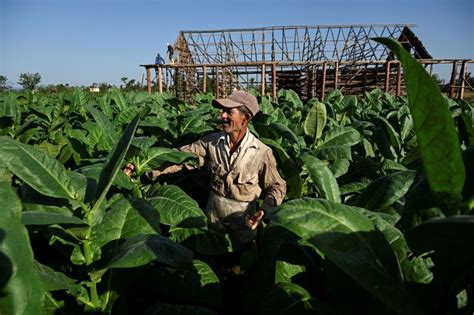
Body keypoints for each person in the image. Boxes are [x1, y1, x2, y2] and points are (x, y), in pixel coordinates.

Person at [124, 90, 286, 246]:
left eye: (229, 112)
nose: (222, 115)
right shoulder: (210, 143)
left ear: (245, 118)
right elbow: (178, 158)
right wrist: (142, 167)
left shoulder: (262, 152)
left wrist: (263, 212)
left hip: (243, 226)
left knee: (238, 265)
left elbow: (277, 186)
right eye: (223, 111)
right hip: (213, 222)